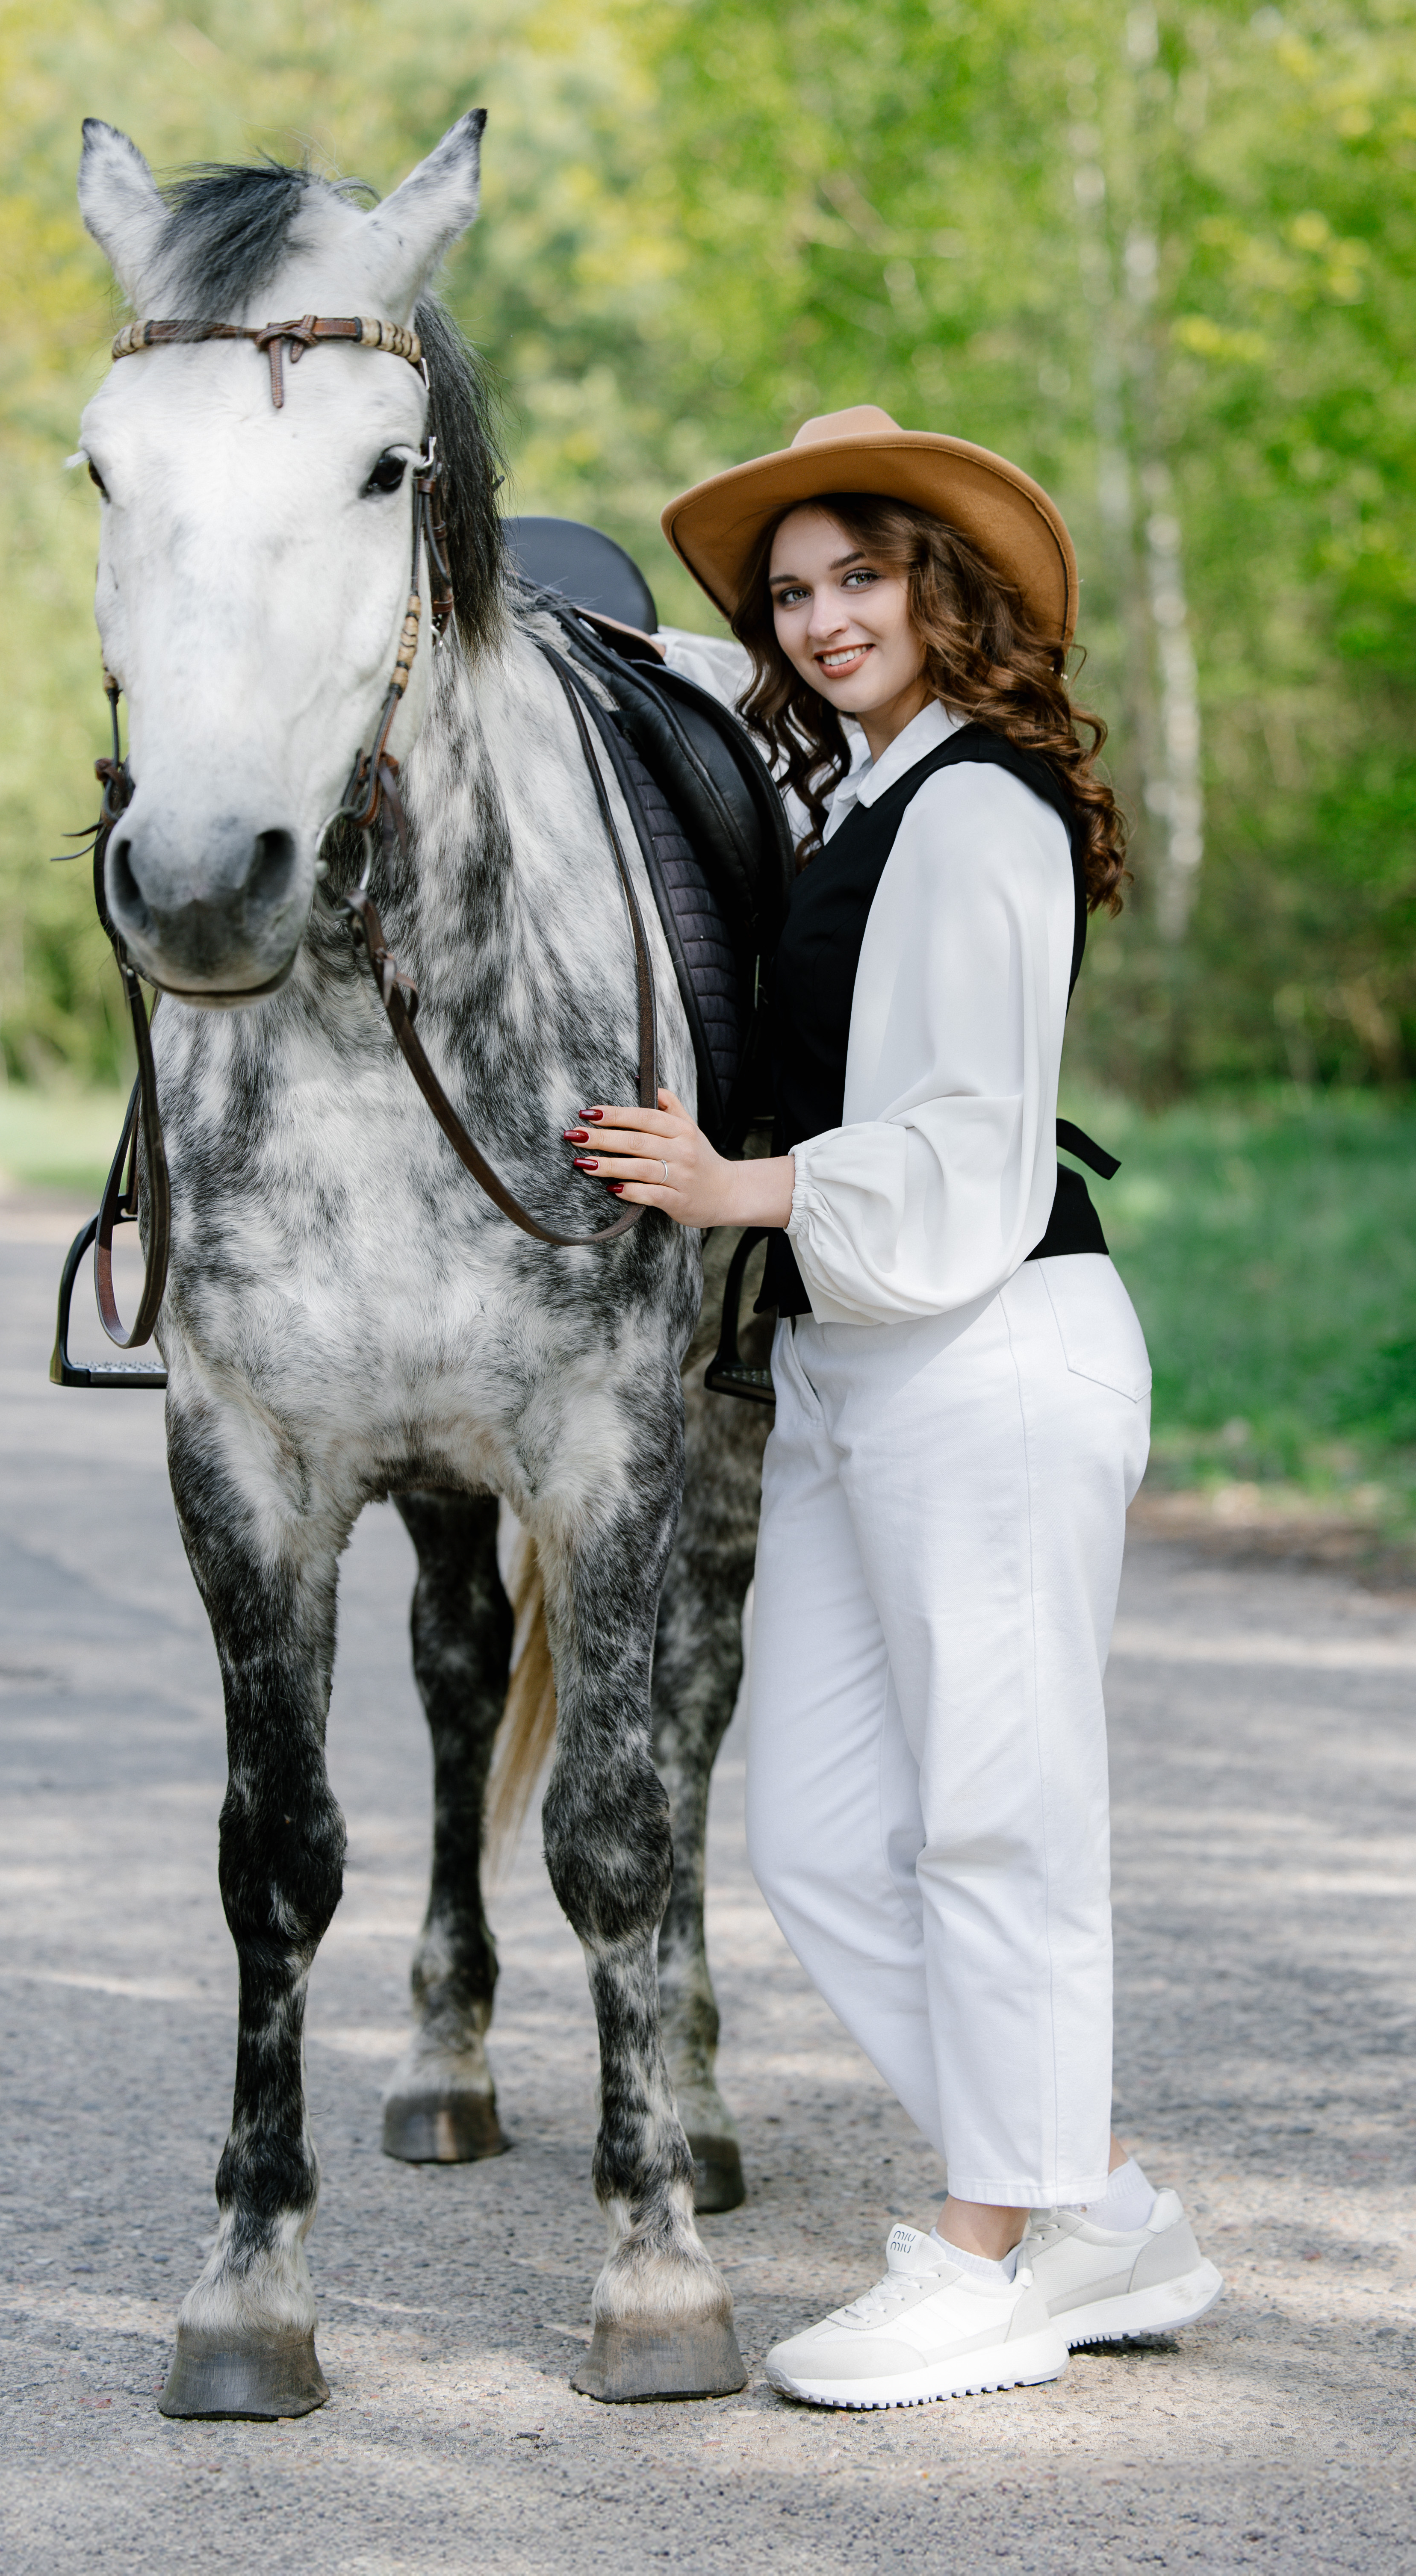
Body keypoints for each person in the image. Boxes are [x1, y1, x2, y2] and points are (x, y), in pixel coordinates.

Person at [561, 405, 1223, 2411]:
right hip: (854, 1357)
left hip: (994, 1344)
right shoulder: (856, 789)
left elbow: (970, 1141)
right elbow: (663, 693)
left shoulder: (987, 807)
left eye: (865, 574)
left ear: (948, 590)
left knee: (998, 1820)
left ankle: (991, 2245)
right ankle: (1092, 2196)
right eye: (795, 590)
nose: (826, 614)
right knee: (828, 1834)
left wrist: (737, 1184)